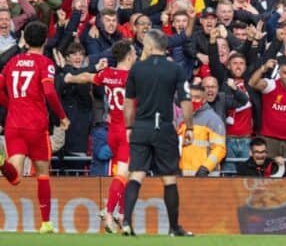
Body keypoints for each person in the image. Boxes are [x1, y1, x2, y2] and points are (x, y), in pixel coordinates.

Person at [121, 29, 194, 237]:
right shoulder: (176, 69)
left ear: (150, 46)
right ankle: (173, 228)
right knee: (169, 178)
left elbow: (128, 105)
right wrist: (189, 128)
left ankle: (126, 222)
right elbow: (186, 101)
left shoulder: (137, 69)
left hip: (142, 127)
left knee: (136, 174)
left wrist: (128, 127)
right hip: (164, 127)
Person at [0, 21, 71, 234]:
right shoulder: (45, 62)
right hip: (37, 126)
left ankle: (2, 162)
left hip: (13, 124)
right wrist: (62, 117)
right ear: (45, 40)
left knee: (15, 178)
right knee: (42, 174)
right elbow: (49, 92)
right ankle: (46, 223)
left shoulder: (12, 62)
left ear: (24, 38)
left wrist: (10, 103)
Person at [64, 40, 137, 233]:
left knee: (127, 173)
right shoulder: (134, 77)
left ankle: (120, 213)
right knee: (122, 174)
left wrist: (70, 78)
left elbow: (88, 76)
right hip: (127, 131)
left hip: (111, 129)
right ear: (129, 56)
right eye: (135, 54)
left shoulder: (108, 74)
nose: (136, 56)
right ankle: (108, 209)